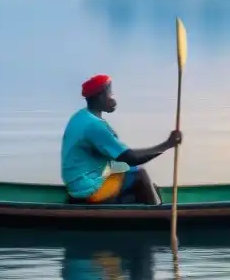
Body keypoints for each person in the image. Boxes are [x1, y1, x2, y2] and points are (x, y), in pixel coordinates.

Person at [61, 74, 181, 205]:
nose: (113, 98)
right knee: (140, 175)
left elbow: (118, 157)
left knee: (130, 171)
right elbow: (131, 158)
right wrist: (167, 145)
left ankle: (132, 201)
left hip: (76, 185)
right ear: (100, 96)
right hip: (87, 189)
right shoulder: (94, 126)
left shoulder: (80, 116)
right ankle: (158, 214)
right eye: (110, 94)